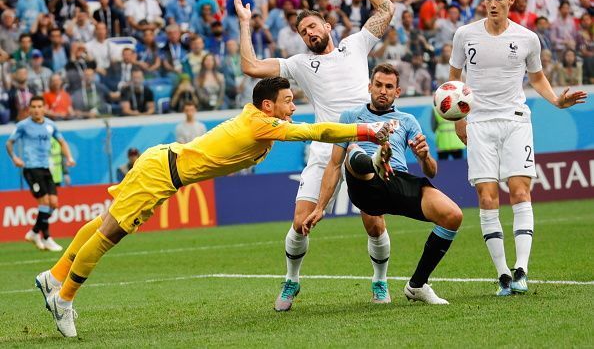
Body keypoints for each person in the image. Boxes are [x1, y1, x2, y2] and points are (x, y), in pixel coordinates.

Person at [34, 77, 393, 338]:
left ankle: (54, 275)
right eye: (287, 101)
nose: (293, 107)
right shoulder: (261, 124)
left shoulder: (258, 117)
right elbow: (318, 132)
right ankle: (63, 300)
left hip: (161, 162)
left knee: (105, 221)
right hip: (161, 173)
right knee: (110, 233)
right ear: (269, 106)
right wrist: (366, 130)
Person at [234, 0, 395, 312]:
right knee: (299, 222)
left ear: (328, 27)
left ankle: (380, 283)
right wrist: (245, 23)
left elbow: (386, 8)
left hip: (363, 142)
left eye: (313, 27)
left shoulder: (356, 44)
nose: (309, 33)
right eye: (303, 31)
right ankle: (291, 281)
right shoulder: (300, 64)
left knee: (373, 224)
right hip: (325, 149)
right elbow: (249, 66)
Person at [449, 0, 587, 296]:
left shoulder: (527, 38)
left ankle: (521, 269)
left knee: (520, 191)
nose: (493, 4)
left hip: (515, 121)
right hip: (479, 123)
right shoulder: (464, 35)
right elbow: (454, 79)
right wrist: (457, 118)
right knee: (486, 196)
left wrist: (555, 100)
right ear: (483, 0)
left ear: (511, 1)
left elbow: (537, 78)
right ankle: (502, 276)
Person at [303, 63, 463, 304]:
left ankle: (417, 285)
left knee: (453, 216)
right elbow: (334, 165)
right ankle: (376, 160)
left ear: (397, 92)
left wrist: (424, 156)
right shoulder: (350, 117)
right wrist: (320, 207)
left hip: (396, 179)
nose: (383, 90)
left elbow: (431, 171)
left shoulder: (407, 120)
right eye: (378, 85)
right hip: (364, 182)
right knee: (353, 150)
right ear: (369, 87)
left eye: (389, 87)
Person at [5, 96, 75, 252]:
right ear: (29, 109)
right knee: (44, 202)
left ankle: (36, 232)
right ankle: (46, 237)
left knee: (54, 204)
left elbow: (62, 141)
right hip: (31, 168)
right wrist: (15, 158)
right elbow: (9, 142)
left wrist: (69, 157)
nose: (36, 110)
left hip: (46, 168)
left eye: (39, 106)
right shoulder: (23, 126)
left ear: (44, 108)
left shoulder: (50, 125)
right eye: (33, 107)